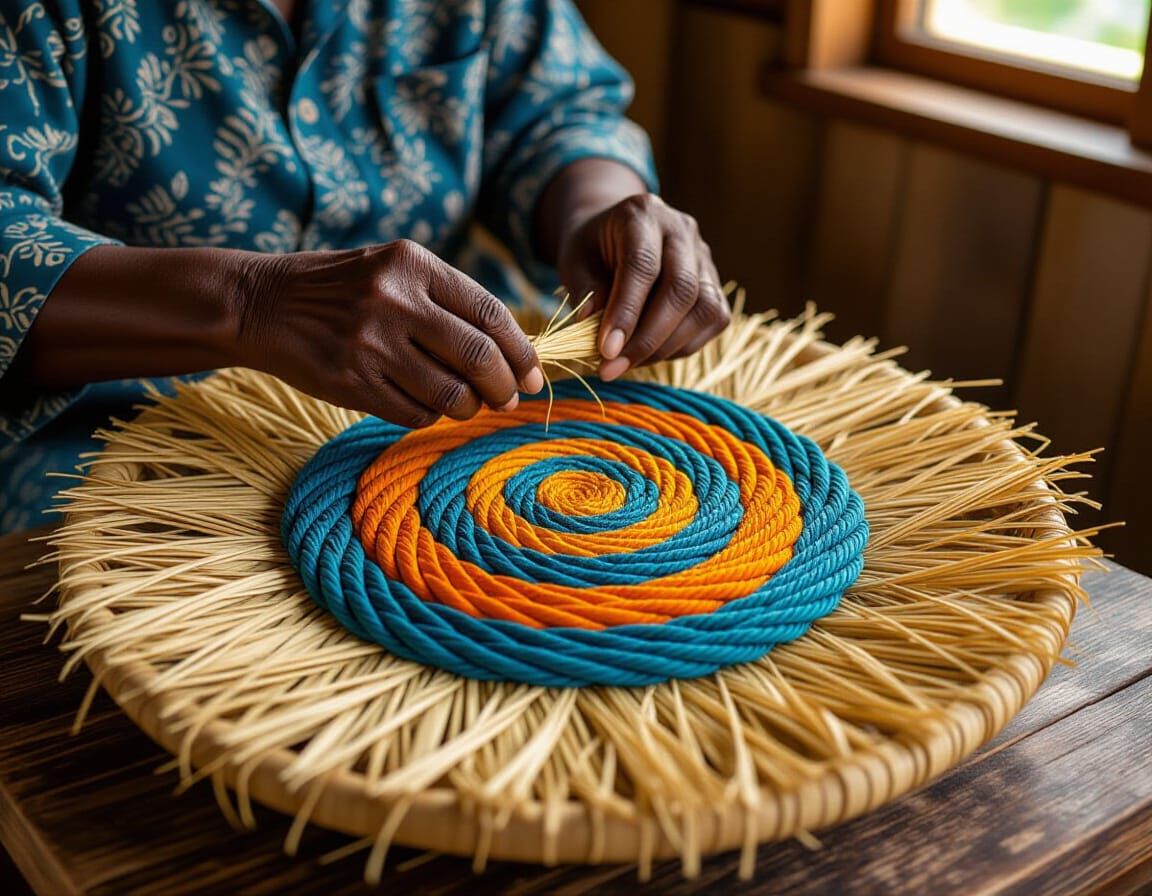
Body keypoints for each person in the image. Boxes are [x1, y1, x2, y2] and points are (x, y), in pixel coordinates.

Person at [0, 0, 729, 533]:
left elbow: (558, 111)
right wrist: (250, 305)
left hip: (451, 408)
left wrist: (600, 208)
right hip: (117, 455)